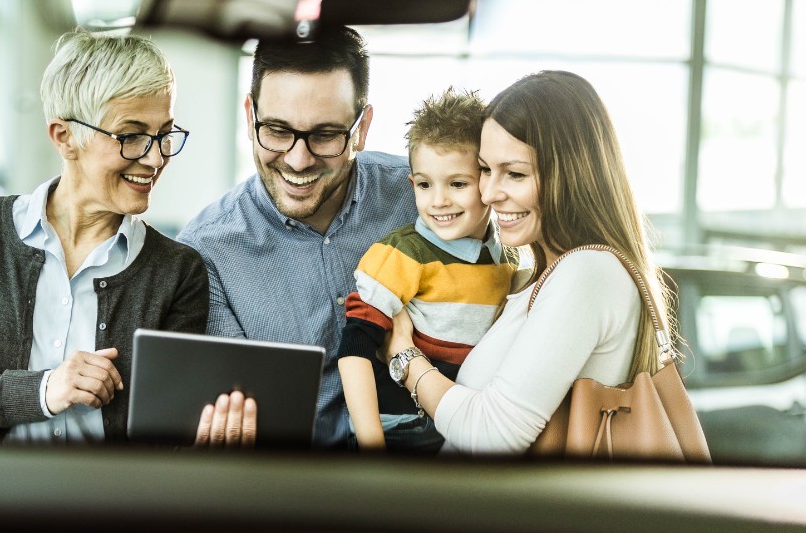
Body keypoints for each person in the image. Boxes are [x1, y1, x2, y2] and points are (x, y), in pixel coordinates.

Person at [0, 30, 212, 444]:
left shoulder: (178, 272)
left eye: (163, 134)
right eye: (131, 136)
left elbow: (169, 433)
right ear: (65, 137)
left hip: (107, 507)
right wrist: (42, 390)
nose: (154, 158)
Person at [384, 70, 680, 454]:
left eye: (515, 174)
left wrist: (405, 358)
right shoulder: (541, 276)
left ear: (571, 175)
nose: (489, 193)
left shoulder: (587, 272)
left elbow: (494, 433)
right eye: (486, 170)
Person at [176, 26, 419, 448]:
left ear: (361, 128)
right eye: (277, 130)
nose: (297, 159)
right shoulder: (206, 250)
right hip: (298, 486)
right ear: (249, 116)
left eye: (325, 135)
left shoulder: (421, 195)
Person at [337, 88, 519, 453]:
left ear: (486, 179)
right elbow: (354, 347)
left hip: (462, 424)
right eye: (424, 184)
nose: (438, 201)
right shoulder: (402, 254)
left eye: (457, 184)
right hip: (403, 429)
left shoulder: (504, 257)